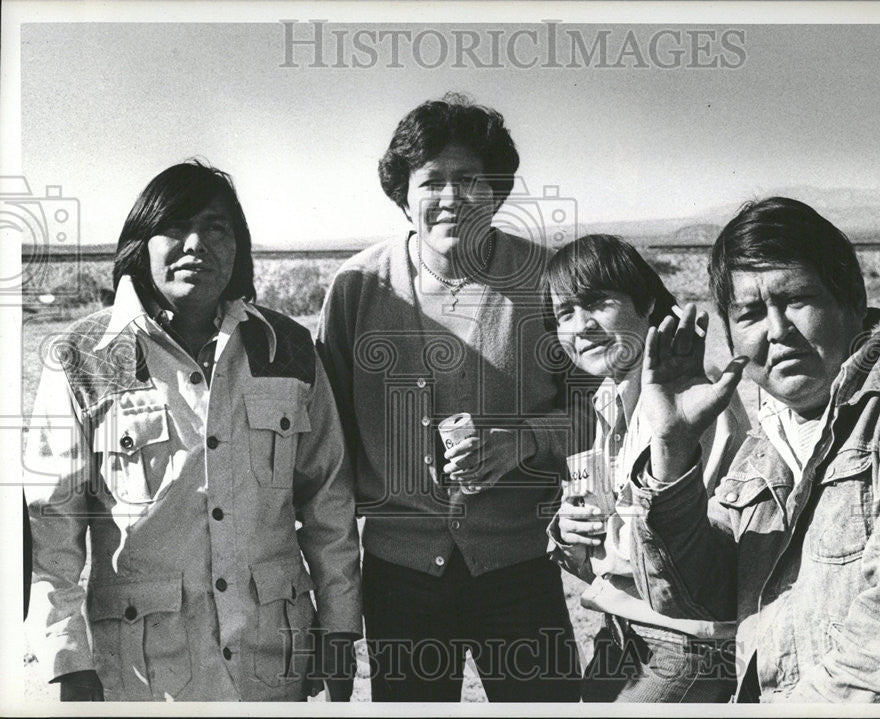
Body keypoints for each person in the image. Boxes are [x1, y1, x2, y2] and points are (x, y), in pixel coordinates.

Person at [24, 161, 361, 702]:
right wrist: (69, 662)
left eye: (216, 228)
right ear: (141, 244)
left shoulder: (289, 348)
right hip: (145, 677)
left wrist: (340, 629)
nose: (196, 243)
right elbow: (51, 532)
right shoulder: (81, 358)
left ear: (238, 247)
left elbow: (328, 501)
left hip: (271, 665)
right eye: (175, 226)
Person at [631, 197, 880, 702]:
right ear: (729, 335)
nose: (777, 330)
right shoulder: (765, 441)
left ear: (851, 301)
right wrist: (672, 447)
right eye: (750, 313)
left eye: (796, 299)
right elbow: (693, 596)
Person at [316, 94, 581, 702]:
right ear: (402, 194)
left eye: (471, 180)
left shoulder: (549, 282)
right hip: (399, 572)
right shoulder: (357, 287)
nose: (452, 197)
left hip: (519, 563)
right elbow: (327, 435)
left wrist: (523, 441)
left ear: (499, 191)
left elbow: (601, 417)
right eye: (432, 180)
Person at [544, 234, 749, 702]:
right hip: (624, 628)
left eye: (597, 302)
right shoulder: (611, 396)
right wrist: (571, 531)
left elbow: (682, 558)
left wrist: (586, 548)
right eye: (565, 313)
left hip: (688, 642)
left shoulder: (691, 397)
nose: (581, 326)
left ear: (648, 301)